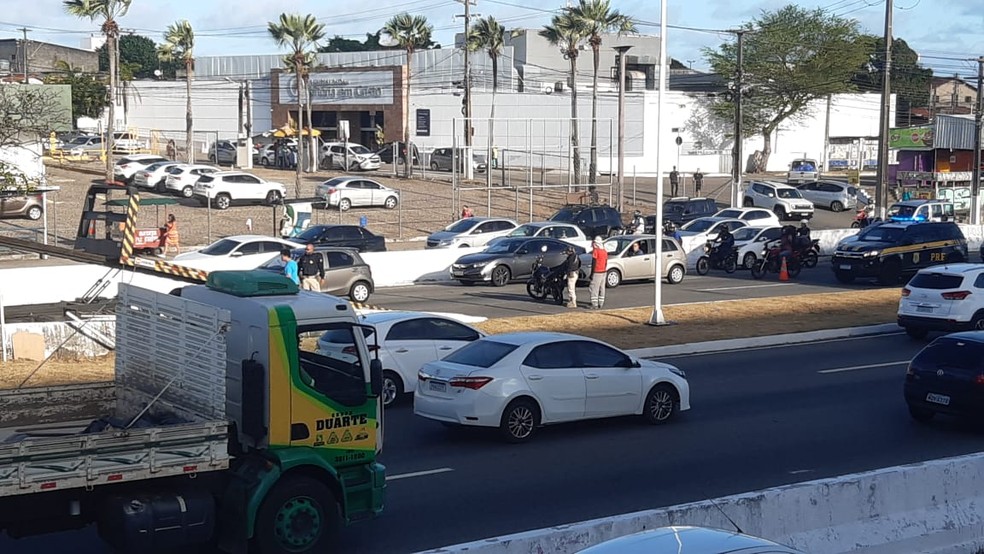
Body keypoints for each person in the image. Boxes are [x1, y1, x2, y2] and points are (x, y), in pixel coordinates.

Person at [588, 236, 608, 310]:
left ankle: (594, 304)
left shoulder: (596, 251)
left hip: (597, 271)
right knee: (602, 288)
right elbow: (606, 262)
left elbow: (594, 262)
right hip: (603, 271)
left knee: (594, 288)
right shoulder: (604, 251)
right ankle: (601, 303)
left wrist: (592, 273)